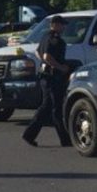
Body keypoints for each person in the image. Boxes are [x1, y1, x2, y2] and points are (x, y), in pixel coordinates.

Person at [22, 15, 72, 147]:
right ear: (55, 25)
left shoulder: (45, 36)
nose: (64, 27)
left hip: (45, 76)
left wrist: (45, 63)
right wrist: (61, 67)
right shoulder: (55, 39)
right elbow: (46, 56)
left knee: (49, 108)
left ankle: (31, 135)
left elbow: (38, 52)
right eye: (62, 25)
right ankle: (63, 139)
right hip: (53, 77)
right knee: (54, 108)